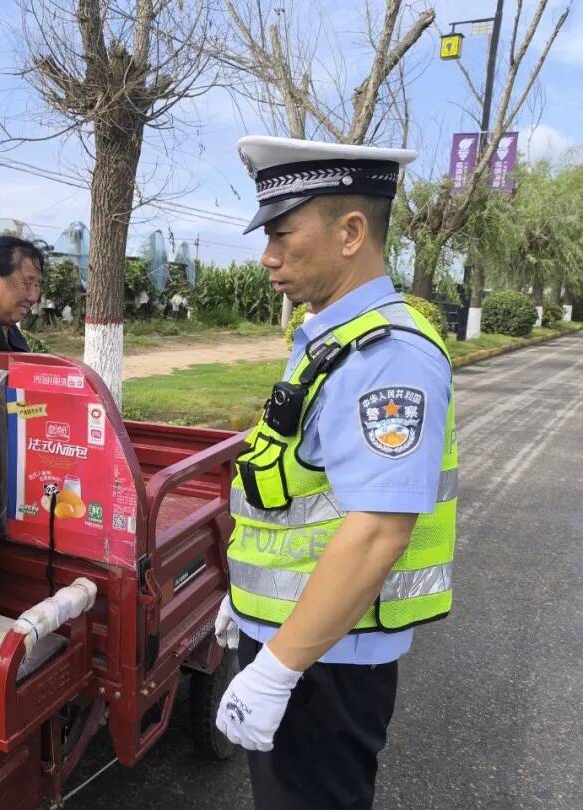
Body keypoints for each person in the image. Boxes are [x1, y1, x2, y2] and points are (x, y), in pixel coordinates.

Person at [213, 136, 457, 809]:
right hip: (300, 638)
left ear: (351, 233)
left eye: (282, 234)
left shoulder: (387, 357)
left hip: (323, 661)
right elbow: (299, 493)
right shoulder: (334, 337)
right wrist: (247, 601)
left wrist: (278, 668)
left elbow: (378, 531)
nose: (267, 256)